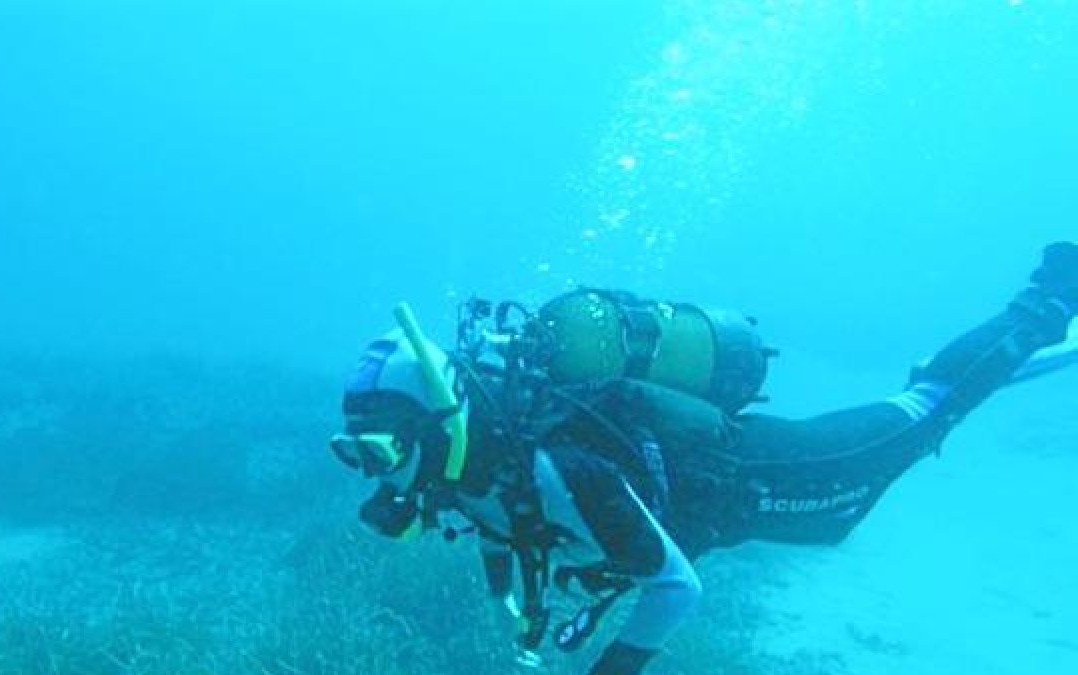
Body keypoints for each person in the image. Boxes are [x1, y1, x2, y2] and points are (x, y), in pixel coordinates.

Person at [328, 242, 1078, 675]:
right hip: (735, 507)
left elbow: (675, 590)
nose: (372, 469)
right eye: (356, 451)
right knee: (875, 474)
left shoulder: (556, 469)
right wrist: (522, 615)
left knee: (919, 417)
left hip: (766, 473)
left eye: (379, 448)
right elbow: (504, 535)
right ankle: (956, 373)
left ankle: (1047, 298)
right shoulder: (466, 477)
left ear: (439, 421)